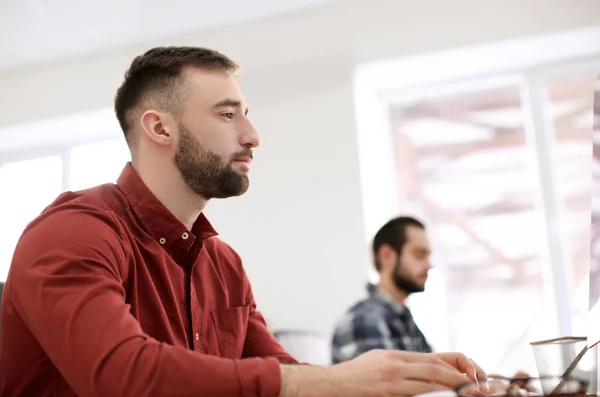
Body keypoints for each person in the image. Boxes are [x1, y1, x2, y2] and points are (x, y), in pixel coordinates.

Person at [0, 47, 487, 397]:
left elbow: (279, 373)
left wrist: (394, 379)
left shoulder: (224, 265)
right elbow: (122, 377)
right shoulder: (72, 232)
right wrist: (333, 381)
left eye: (245, 115)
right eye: (227, 114)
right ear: (160, 127)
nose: (252, 136)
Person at [332, 216, 433, 363]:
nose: (429, 265)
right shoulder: (364, 319)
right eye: (419, 255)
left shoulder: (405, 321)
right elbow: (389, 385)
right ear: (386, 256)